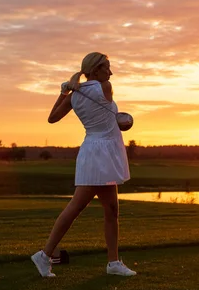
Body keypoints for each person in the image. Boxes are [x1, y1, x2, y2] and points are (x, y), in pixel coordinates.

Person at [31, 52, 136, 278]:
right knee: (77, 207)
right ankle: (44, 254)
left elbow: (53, 117)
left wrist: (64, 92)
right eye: (107, 67)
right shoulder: (104, 87)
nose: (111, 72)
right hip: (101, 152)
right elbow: (55, 118)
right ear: (96, 70)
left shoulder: (75, 94)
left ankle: (113, 262)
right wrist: (71, 88)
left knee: (111, 209)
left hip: (95, 150)